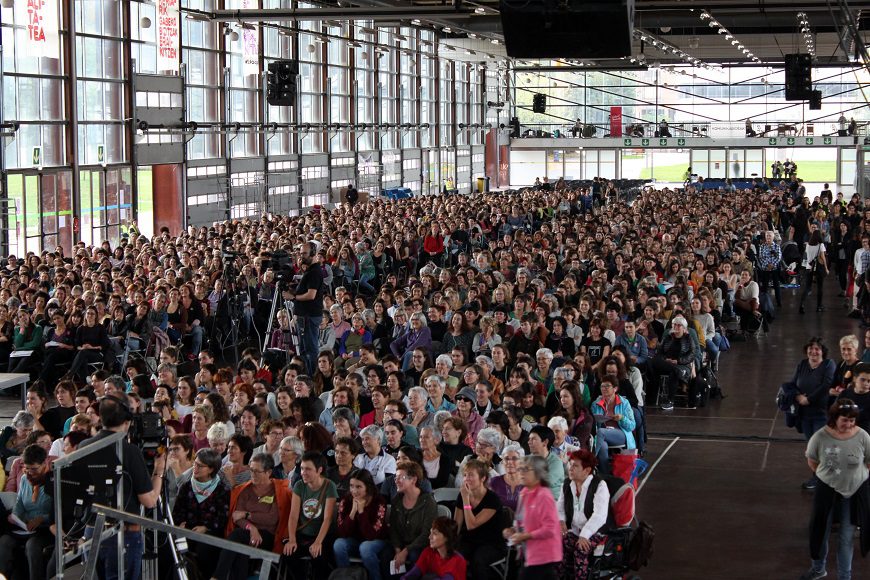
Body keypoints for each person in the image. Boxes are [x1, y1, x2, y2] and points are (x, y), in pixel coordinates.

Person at [83, 393, 166, 580]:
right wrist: (159, 470)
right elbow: (149, 500)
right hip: (123, 535)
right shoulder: (129, 452)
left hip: (91, 532)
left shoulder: (83, 446)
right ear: (128, 421)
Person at [801, 399, 870, 580]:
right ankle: (818, 568)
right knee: (821, 530)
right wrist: (829, 479)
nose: (848, 425)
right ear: (834, 418)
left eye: (852, 421)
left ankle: (844, 577)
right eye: (844, 420)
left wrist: (855, 476)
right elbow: (812, 461)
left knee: (846, 538)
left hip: (854, 492)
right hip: (827, 491)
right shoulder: (820, 437)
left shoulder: (863, 436)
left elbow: (869, 461)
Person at [218, 453, 292, 580]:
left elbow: (271, 518)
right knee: (240, 546)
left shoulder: (279, 490)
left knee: (236, 536)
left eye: (257, 471)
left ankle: (217, 576)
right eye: (251, 470)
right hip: (247, 533)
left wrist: (248, 514)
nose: (253, 474)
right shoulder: (245, 489)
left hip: (269, 536)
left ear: (268, 472)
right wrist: (251, 528)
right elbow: (237, 517)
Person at [172, 448, 231, 580]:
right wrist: (181, 525)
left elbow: (222, 517)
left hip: (210, 531)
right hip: (187, 529)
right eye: (195, 464)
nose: (195, 468)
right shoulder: (186, 486)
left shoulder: (222, 489)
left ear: (211, 469)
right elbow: (177, 511)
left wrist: (206, 527)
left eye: (200, 466)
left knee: (205, 548)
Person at [502, 455, 563, 580]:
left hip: (544, 553)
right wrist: (513, 530)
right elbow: (520, 521)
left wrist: (525, 536)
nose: (521, 473)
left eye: (526, 470)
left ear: (538, 473)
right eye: (521, 469)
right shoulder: (524, 492)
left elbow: (550, 528)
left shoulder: (544, 495)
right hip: (529, 552)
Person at [0, 444, 54, 580]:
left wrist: (42, 518)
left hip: (44, 528)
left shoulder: (53, 481)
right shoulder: (25, 479)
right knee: (4, 541)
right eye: (27, 469)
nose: (30, 473)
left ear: (44, 464)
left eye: (34, 469)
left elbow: (58, 510)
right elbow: (20, 503)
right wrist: (15, 515)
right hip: (24, 526)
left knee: (32, 546)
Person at [556, 450, 612, 580]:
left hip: (596, 532)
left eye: (575, 466)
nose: (570, 468)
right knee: (558, 544)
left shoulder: (599, 486)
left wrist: (584, 535)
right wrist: (561, 521)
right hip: (575, 529)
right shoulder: (567, 484)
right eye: (570, 464)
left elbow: (600, 515)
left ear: (587, 470)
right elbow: (559, 507)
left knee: (580, 549)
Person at [282, 451, 338, 579]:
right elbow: (293, 516)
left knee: (319, 555)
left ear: (319, 470)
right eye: (301, 468)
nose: (303, 472)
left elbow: (327, 518)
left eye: (308, 469)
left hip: (322, 536)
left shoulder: (329, 486)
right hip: (303, 534)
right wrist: (292, 539)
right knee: (288, 554)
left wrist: (318, 542)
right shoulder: (299, 485)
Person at [792, 337, 837, 490]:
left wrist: (808, 399)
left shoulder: (828, 364)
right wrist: (797, 396)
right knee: (811, 447)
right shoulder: (802, 364)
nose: (813, 351)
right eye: (811, 348)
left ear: (822, 351)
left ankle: (821, 478)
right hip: (804, 413)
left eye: (817, 349)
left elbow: (827, 384)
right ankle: (818, 476)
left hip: (821, 412)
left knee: (820, 446)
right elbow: (793, 383)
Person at [454, 458, 506, 580]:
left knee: (478, 561)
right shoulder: (462, 495)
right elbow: (456, 525)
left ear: (483, 479)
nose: (466, 478)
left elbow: (472, 524)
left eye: (471, 475)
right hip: (469, 541)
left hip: (491, 543)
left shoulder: (492, 499)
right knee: (455, 557)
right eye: (465, 475)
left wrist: (466, 500)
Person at [334, 468, 390, 580]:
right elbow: (342, 532)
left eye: (358, 487)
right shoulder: (346, 500)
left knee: (365, 548)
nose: (354, 491)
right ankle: (347, 577)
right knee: (339, 544)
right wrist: (353, 512)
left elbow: (371, 535)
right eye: (351, 486)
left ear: (368, 487)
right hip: (354, 541)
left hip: (377, 541)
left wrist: (361, 512)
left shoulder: (379, 501)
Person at [387, 461, 438, 576]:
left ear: (413, 480)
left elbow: (426, 534)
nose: (397, 481)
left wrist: (406, 551)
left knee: (415, 554)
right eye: (396, 477)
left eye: (401, 477)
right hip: (401, 544)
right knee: (386, 554)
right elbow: (393, 529)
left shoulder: (428, 502)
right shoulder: (397, 500)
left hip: (420, 545)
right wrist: (398, 549)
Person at [590, 375, 637, 473]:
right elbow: (592, 422)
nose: (604, 388)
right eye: (602, 386)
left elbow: (632, 426)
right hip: (601, 436)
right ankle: (604, 474)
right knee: (602, 445)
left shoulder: (624, 403)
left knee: (601, 432)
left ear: (615, 388)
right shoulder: (595, 404)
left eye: (607, 386)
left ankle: (591, 459)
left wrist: (622, 418)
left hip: (620, 433)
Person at [293, 242, 325, 375]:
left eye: (305, 253)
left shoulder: (315, 272)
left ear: (313, 254)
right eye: (301, 253)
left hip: (310, 316)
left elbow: (311, 295)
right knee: (305, 348)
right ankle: (306, 373)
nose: (302, 256)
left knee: (311, 349)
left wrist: (294, 297)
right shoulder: (310, 270)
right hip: (306, 316)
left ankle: (313, 376)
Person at [400, 517, 467, 580]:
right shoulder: (428, 552)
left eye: (434, 533)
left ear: (447, 537)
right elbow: (413, 573)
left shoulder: (459, 561)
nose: (429, 537)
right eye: (430, 532)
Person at [799, 229, 829, 314]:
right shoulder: (821, 245)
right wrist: (826, 268)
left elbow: (807, 256)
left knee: (807, 287)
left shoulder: (808, 245)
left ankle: (801, 304)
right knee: (820, 287)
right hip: (818, 268)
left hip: (809, 267)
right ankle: (819, 306)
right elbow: (823, 258)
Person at [757, 230, 783, 308]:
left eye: (770, 236)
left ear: (773, 237)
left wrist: (772, 265)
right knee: (765, 286)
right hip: (765, 268)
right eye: (767, 236)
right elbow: (761, 257)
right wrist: (767, 265)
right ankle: (763, 301)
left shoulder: (776, 246)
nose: (768, 237)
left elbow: (778, 257)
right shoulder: (762, 246)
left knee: (776, 285)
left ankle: (779, 302)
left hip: (774, 268)